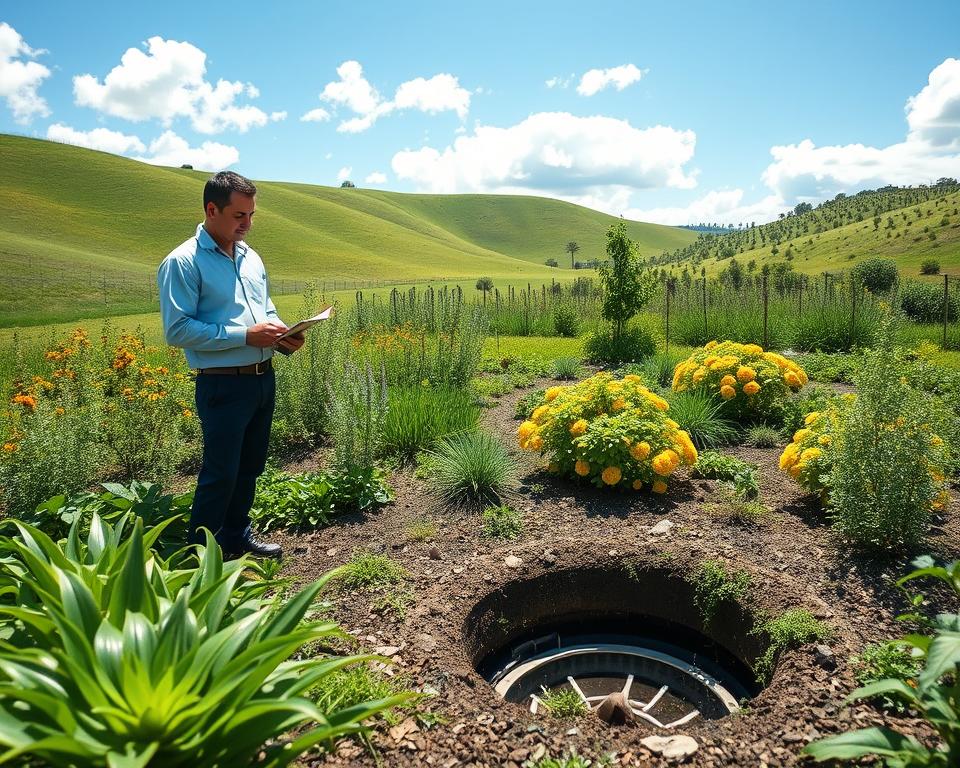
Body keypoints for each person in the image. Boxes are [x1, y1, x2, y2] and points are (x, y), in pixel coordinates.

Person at [157, 171, 303, 558]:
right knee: (220, 474)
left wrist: (283, 334)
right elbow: (177, 330)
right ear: (211, 209)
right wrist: (245, 336)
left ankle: (237, 536)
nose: (247, 224)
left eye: (252, 215)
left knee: (251, 466)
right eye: (239, 215)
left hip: (261, 378)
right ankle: (199, 556)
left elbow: (264, 310)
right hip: (221, 384)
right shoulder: (182, 262)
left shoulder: (251, 257)